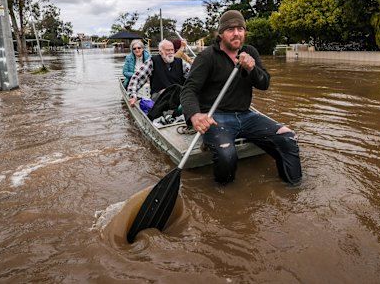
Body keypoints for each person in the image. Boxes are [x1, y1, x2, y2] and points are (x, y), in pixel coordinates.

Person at [180, 10, 302, 186]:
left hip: (246, 115)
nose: (236, 33)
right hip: (216, 118)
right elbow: (188, 89)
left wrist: (252, 69)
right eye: (230, 29)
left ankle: (293, 189)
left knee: (288, 138)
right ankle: (226, 194)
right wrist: (194, 116)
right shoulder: (206, 57)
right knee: (226, 154)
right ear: (221, 33)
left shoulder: (250, 51)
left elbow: (264, 84)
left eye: (240, 28)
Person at [127, 39, 191, 105]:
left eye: (172, 50)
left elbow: (192, 77)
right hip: (158, 96)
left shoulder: (181, 62)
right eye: (168, 50)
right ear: (160, 52)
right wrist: (133, 96)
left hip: (178, 95)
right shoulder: (152, 61)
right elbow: (136, 78)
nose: (171, 52)